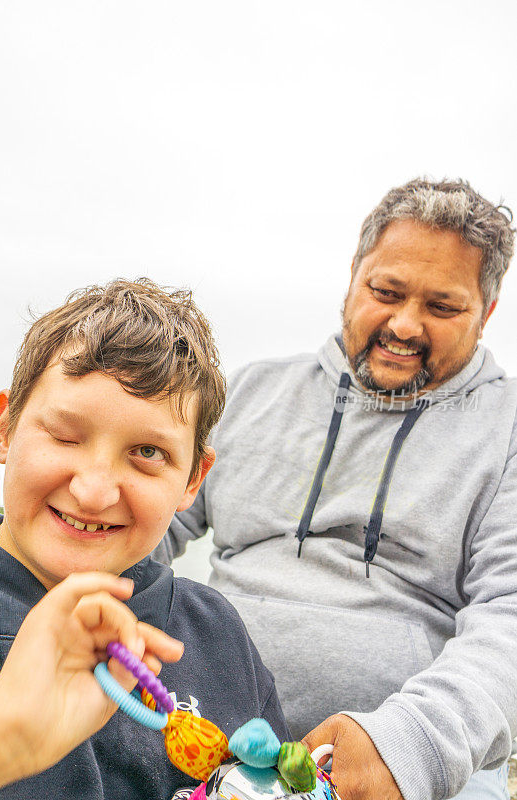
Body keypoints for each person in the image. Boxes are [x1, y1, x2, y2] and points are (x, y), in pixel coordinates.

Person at [155, 179, 517, 800]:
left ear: (485, 314)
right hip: (200, 736)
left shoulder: (507, 430)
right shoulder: (248, 394)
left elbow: (508, 618)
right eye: (386, 292)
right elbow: (147, 524)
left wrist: (411, 745)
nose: (404, 325)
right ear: (352, 276)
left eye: (442, 306)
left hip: (415, 770)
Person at [0, 279, 289, 799]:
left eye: (147, 452)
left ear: (193, 480)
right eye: (65, 436)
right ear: (5, 427)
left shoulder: (217, 637)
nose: (93, 492)